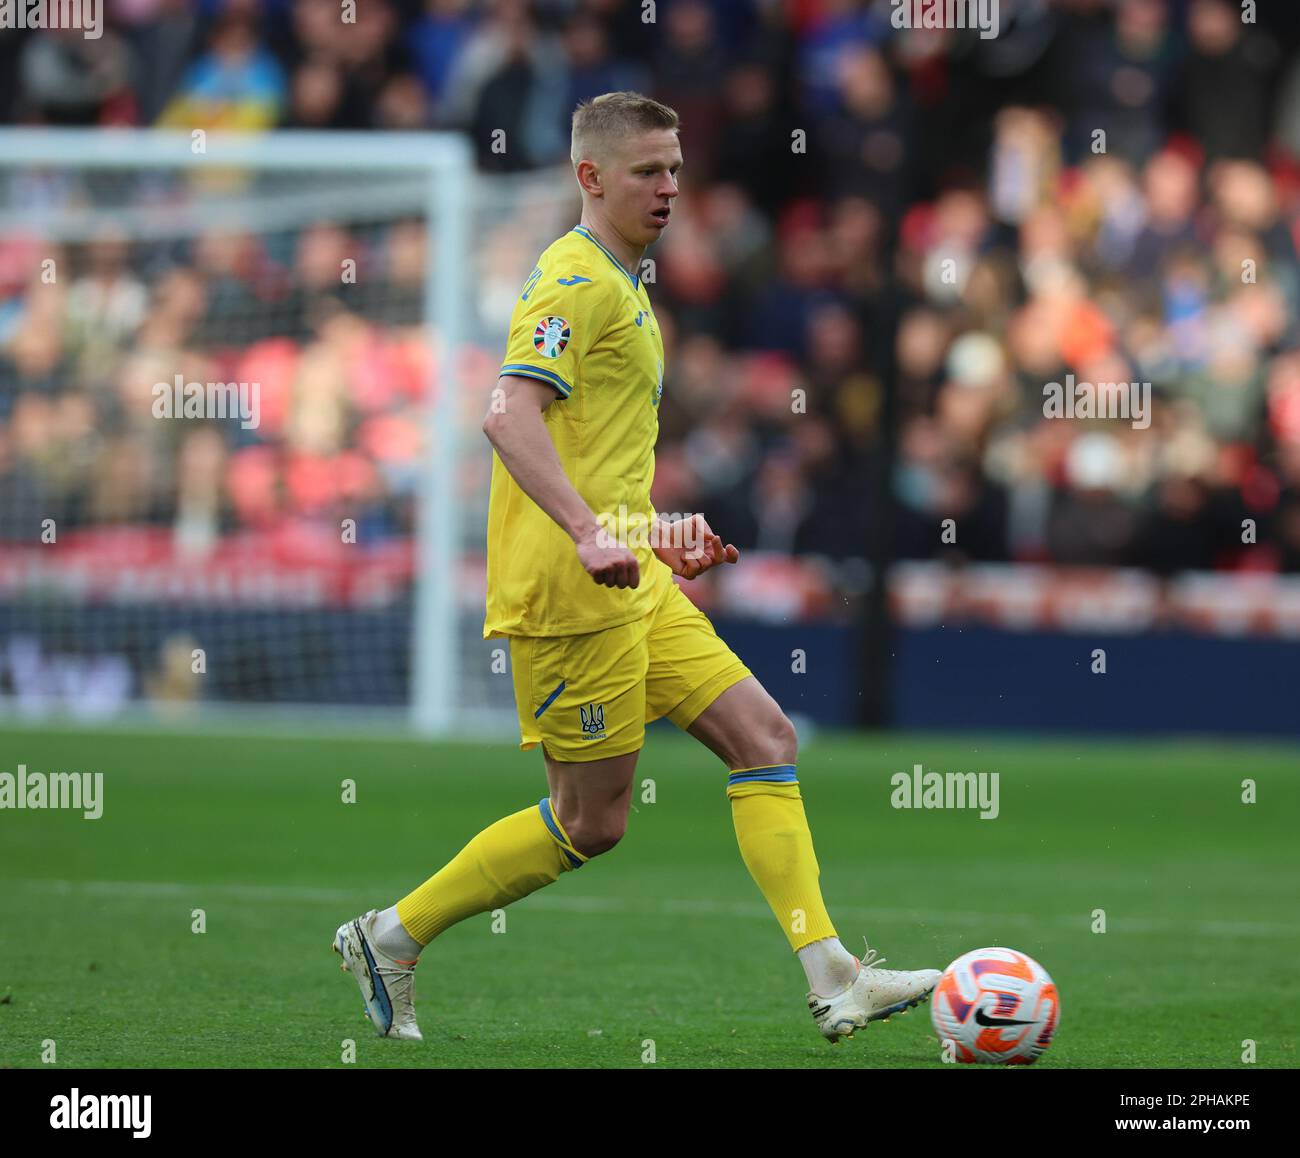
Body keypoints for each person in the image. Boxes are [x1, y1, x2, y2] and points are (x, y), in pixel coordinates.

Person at [333, 91, 939, 1046]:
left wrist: (655, 535)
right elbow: (505, 414)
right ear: (591, 178)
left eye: (675, 167)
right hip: (569, 595)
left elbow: (595, 452)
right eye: (648, 170)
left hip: (627, 575)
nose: (669, 186)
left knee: (764, 737)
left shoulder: (624, 279)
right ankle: (390, 935)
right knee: (592, 822)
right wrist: (587, 533)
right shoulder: (576, 281)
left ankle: (835, 977)